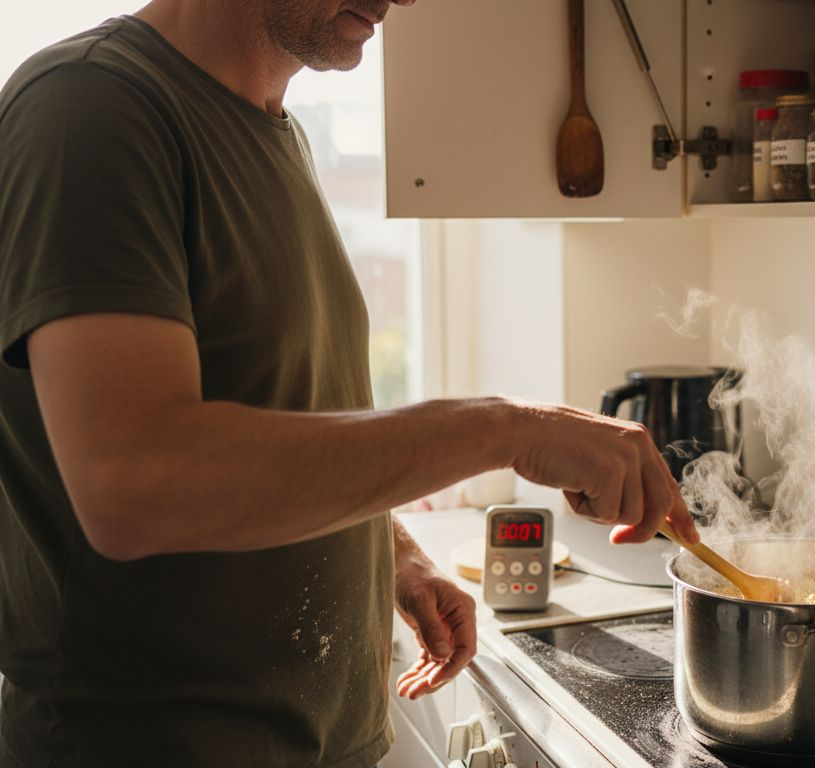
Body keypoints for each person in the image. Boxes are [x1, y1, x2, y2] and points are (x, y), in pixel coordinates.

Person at [0, 1, 699, 765]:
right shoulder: (90, 106)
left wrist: (392, 552)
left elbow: (286, 409)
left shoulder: (273, 129)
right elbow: (134, 482)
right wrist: (507, 428)